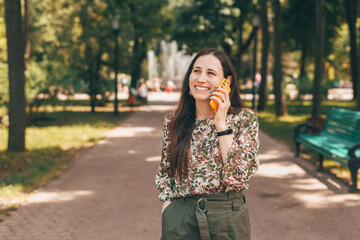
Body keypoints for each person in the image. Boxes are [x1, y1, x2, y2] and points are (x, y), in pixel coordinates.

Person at [155, 48, 259, 240]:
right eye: (197, 71)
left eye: (211, 73)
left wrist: (221, 123)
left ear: (226, 83)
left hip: (227, 217)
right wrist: (168, 208)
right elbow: (165, 173)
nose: (201, 78)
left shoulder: (244, 119)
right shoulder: (174, 122)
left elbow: (239, 177)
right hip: (180, 218)